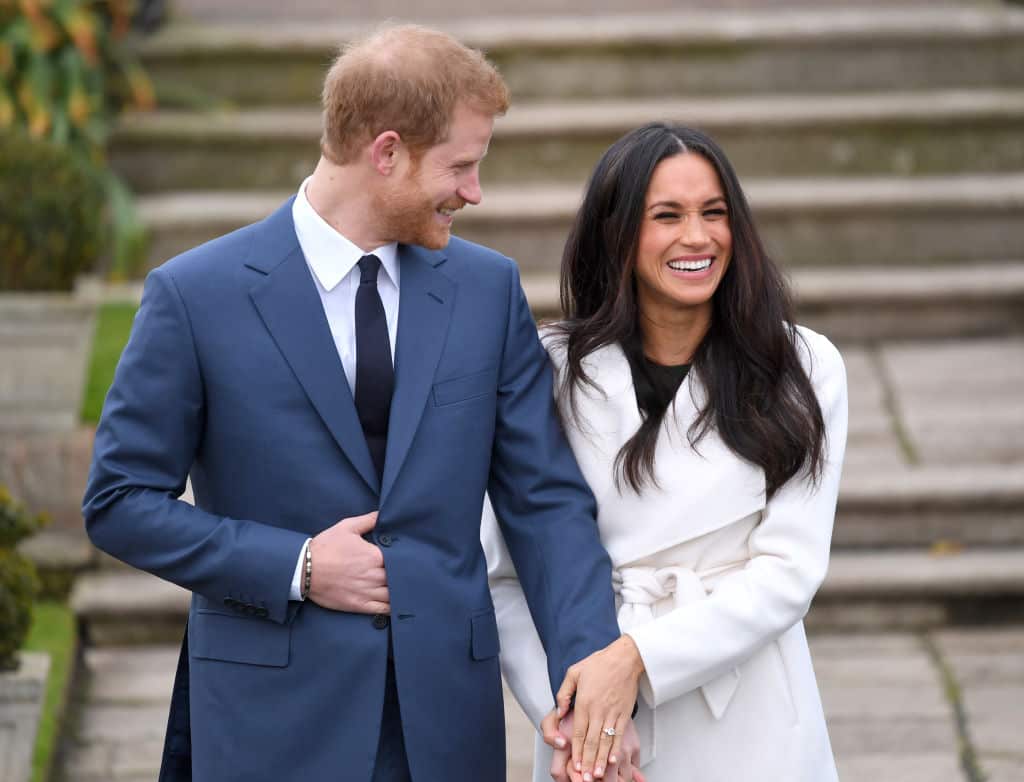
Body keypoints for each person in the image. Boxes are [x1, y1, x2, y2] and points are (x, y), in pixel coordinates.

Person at [82, 25, 641, 782]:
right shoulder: (195, 295)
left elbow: (543, 502)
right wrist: (299, 565)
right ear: (386, 152)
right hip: (268, 721)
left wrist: (590, 682)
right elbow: (118, 500)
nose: (474, 192)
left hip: (444, 726)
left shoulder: (486, 290)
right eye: (462, 166)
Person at [482, 123, 848, 782]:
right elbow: (506, 575)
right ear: (615, 234)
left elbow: (790, 571)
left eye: (714, 213)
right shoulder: (547, 370)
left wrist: (637, 660)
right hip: (590, 718)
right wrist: (577, 721)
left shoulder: (802, 365)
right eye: (666, 216)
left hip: (749, 711)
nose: (698, 237)